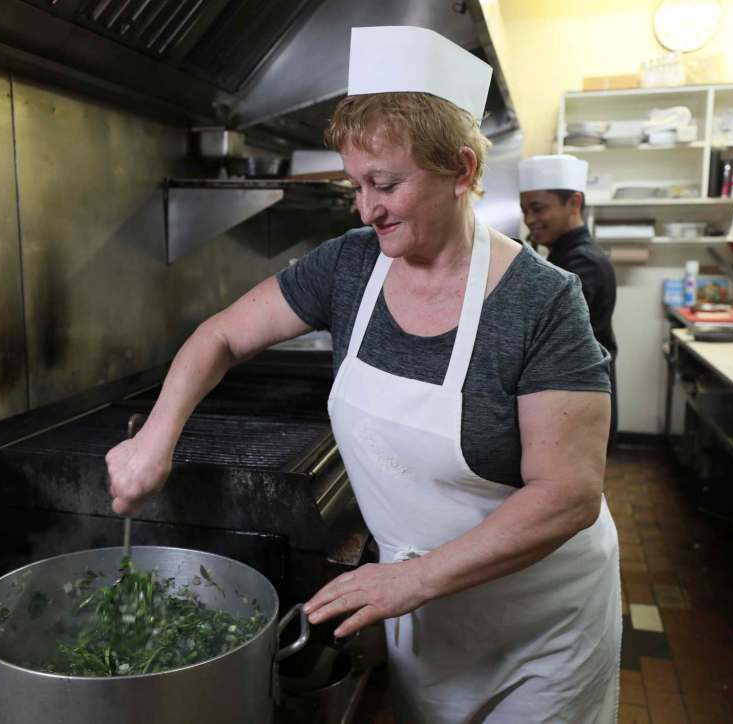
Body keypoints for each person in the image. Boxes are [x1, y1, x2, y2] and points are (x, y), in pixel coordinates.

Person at [106, 25, 621, 723]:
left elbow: (567, 495)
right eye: (355, 185)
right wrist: (154, 439)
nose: (365, 207)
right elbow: (222, 335)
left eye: (385, 184)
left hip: (538, 626)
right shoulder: (349, 264)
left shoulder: (541, 302)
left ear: (463, 171)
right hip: (424, 612)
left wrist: (414, 577)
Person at [519, 154, 619, 441]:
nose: (529, 220)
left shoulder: (583, 263)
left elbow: (545, 336)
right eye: (525, 210)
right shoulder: (565, 255)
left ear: (574, 203)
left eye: (538, 208)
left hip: (580, 405)